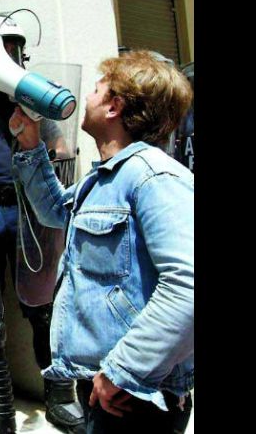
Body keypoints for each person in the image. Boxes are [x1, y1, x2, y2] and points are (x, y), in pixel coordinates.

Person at [10, 50, 194, 433]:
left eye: (96, 90)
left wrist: (122, 370)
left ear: (114, 107)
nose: (86, 98)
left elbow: (187, 286)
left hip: (136, 392)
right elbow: (56, 211)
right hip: (111, 383)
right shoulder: (110, 177)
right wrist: (30, 144)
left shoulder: (154, 177)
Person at [0, 13, 85, 434]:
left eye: (15, 48)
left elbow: (61, 151)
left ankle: (60, 393)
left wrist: (42, 130)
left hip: (30, 210)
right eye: (4, 47)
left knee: (43, 304)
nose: (12, 56)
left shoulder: (31, 99)